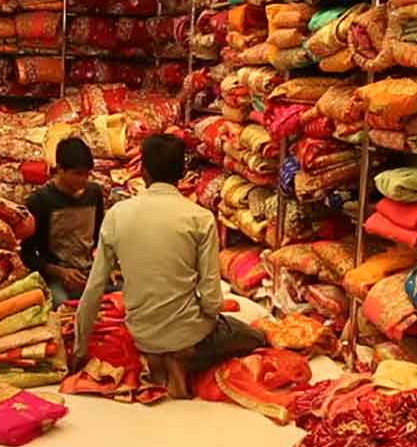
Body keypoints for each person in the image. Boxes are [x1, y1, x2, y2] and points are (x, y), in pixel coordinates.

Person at [72, 133, 265, 395]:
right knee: (255, 337)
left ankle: (161, 357)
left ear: (143, 171)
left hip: (142, 334)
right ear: (182, 173)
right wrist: (202, 321)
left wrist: (80, 348)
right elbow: (211, 299)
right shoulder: (200, 218)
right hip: (190, 335)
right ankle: (184, 357)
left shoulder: (117, 214)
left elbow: (94, 287)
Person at [20, 137, 106, 306]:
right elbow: (27, 255)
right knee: (61, 303)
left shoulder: (93, 193)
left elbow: (100, 237)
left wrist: (107, 266)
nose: (83, 179)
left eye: (87, 174)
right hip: (56, 277)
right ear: (60, 169)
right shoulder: (40, 201)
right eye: (77, 174)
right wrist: (60, 272)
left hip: (88, 271)